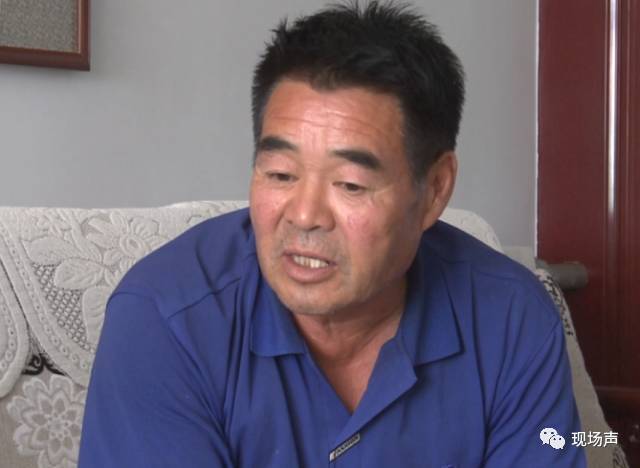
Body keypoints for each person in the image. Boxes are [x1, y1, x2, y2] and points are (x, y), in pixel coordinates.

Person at [79, 2, 586, 467]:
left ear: (434, 189)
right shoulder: (166, 316)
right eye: (280, 174)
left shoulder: (510, 317)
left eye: (350, 184)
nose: (304, 216)